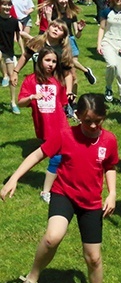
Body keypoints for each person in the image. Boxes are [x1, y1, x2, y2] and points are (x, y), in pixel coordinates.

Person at [1, 93, 119, 283]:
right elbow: (37, 154)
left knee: (93, 258)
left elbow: (110, 166)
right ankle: (32, 279)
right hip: (64, 193)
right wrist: (13, 178)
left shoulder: (109, 140)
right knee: (52, 238)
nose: (93, 126)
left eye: (98, 120)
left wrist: (112, 193)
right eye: (87, 121)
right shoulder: (65, 135)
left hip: (91, 202)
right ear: (77, 117)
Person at [16, 46, 70, 202]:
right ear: (40, 61)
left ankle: (50, 189)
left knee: (60, 157)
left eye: (54, 61)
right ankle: (47, 191)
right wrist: (32, 97)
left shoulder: (58, 80)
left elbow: (62, 103)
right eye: (47, 60)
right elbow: (20, 102)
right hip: (45, 127)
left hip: (61, 125)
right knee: (58, 157)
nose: (51, 64)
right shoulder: (31, 80)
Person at [11, 20, 75, 106]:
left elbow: (67, 73)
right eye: (54, 27)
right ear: (48, 28)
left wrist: (69, 90)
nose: (56, 30)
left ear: (63, 35)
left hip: (55, 85)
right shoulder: (38, 42)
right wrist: (15, 72)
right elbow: (25, 56)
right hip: (38, 83)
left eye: (60, 29)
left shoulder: (63, 50)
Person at [51, 0, 97, 89]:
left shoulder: (71, 13)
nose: (63, 1)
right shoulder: (53, 13)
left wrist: (80, 30)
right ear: (56, 0)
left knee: (73, 75)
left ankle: (73, 102)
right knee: (62, 75)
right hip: (59, 43)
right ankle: (85, 70)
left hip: (70, 41)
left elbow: (77, 35)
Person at [0, 0, 21, 114]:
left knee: (14, 79)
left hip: (9, 51)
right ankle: (4, 76)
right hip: (0, 50)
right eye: (4, 4)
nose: (7, 7)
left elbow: (18, 37)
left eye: (9, 5)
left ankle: (13, 102)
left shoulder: (14, 21)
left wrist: (23, 49)